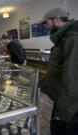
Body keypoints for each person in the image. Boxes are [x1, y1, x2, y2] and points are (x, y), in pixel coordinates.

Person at [40, 7, 78, 135]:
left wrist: (63, 112)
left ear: (56, 19)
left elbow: (72, 79)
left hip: (70, 108)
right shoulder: (65, 38)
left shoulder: (72, 39)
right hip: (62, 101)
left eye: (47, 23)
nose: (46, 26)